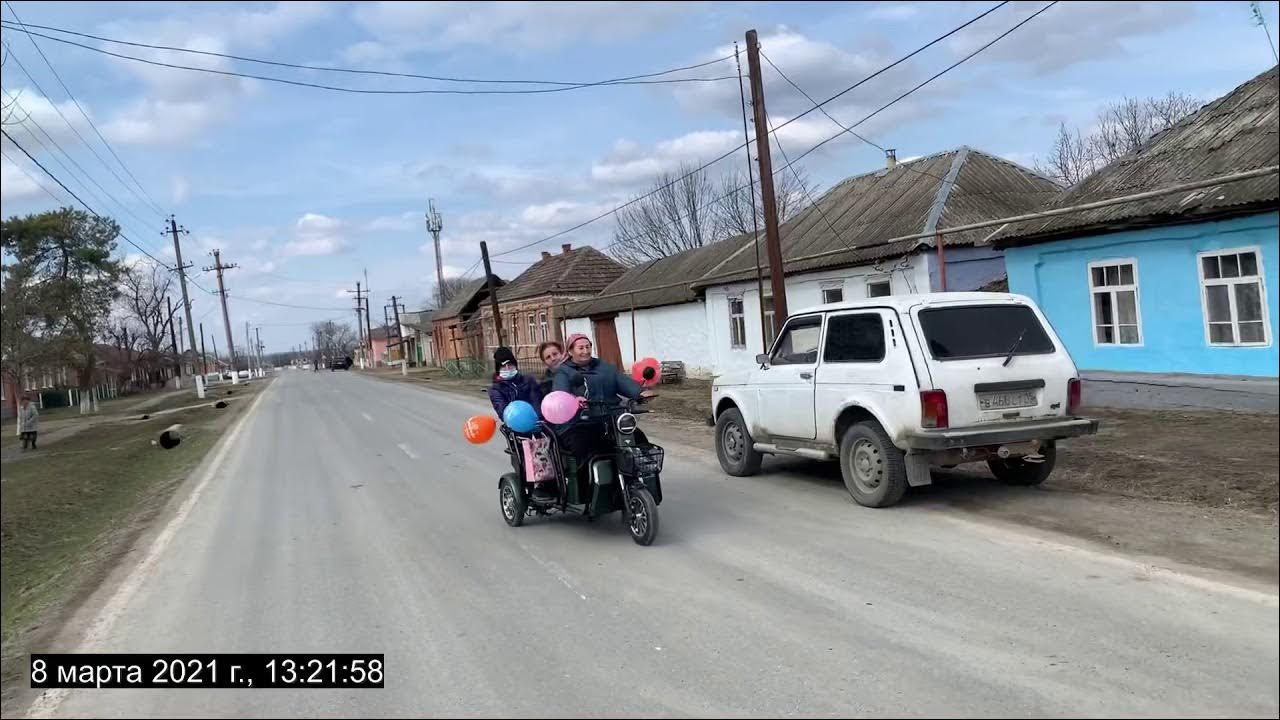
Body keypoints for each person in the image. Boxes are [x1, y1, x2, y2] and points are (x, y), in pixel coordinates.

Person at [551, 334, 651, 469]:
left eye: (588, 347)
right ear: (570, 351)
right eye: (580, 348)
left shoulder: (605, 367)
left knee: (637, 438)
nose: (585, 351)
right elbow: (560, 396)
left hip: (608, 420)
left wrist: (640, 392)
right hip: (578, 424)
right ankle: (586, 486)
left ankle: (641, 474)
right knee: (583, 449)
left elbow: (622, 381)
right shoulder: (563, 372)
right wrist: (574, 401)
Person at [487, 346, 543, 420]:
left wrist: (536, 418)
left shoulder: (529, 380)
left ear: (515, 366)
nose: (507, 369)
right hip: (515, 425)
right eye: (503, 366)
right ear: (499, 370)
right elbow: (503, 411)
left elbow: (536, 401)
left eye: (510, 365)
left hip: (536, 421)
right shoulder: (496, 389)